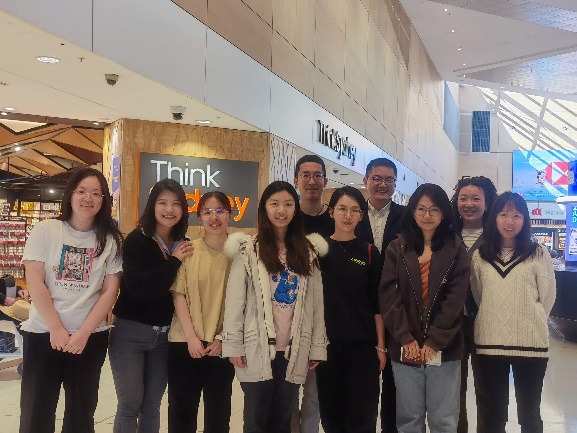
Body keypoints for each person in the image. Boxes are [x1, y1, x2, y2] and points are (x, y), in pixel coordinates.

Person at [20, 167, 123, 433]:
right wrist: (56, 328)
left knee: (81, 414)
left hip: (89, 338)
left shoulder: (110, 240)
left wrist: (83, 333)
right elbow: (35, 281)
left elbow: (110, 291)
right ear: (70, 195)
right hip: (43, 334)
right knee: (36, 413)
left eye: (96, 193)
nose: (88, 198)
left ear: (104, 200)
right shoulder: (46, 230)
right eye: (82, 191)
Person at [222, 180, 328, 433]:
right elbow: (235, 301)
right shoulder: (249, 250)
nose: (281, 210)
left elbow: (316, 305)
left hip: (294, 348)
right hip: (256, 346)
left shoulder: (307, 252)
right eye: (275, 204)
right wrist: (233, 345)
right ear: (264, 209)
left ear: (295, 209)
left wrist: (317, 347)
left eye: (288, 204)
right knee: (256, 420)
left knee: (283, 419)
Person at [379, 183, 470, 433]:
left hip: (444, 348)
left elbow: (455, 300)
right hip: (405, 346)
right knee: (409, 420)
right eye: (421, 209)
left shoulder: (455, 249)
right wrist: (405, 337)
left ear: (444, 213)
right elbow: (388, 295)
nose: (427, 215)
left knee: (443, 420)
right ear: (412, 212)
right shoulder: (397, 248)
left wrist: (434, 341)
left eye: (434, 209)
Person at [109, 178, 193, 433]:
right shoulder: (138, 239)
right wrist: (173, 262)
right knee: (129, 404)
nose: (169, 209)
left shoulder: (184, 243)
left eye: (176, 204)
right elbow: (138, 288)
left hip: (165, 337)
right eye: (162, 203)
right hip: (130, 333)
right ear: (152, 206)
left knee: (152, 406)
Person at [471, 192, 556, 433]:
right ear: (494, 218)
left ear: (525, 220)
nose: (510, 221)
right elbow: (479, 296)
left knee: (529, 415)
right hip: (489, 344)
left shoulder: (538, 253)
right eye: (503, 214)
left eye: (517, 215)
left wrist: (529, 319)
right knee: (493, 415)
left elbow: (547, 297)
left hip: (531, 345)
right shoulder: (480, 256)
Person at [316, 186, 385, 433]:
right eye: (342, 209)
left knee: (362, 418)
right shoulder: (317, 250)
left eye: (354, 210)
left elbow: (376, 303)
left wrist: (381, 346)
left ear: (361, 216)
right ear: (331, 212)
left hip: (363, 349)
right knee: (332, 418)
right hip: (327, 349)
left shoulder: (369, 252)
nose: (348, 215)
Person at [167, 191, 235, 433]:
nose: (213, 217)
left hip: (221, 346)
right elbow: (179, 295)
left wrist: (223, 338)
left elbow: (245, 303)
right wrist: (191, 338)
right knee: (181, 415)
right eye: (207, 212)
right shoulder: (189, 250)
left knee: (218, 416)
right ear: (199, 217)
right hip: (184, 342)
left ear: (230, 215)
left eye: (220, 211)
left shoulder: (240, 254)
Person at [356, 157, 405, 433]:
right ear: (366, 181)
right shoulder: (352, 213)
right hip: (360, 310)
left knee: (395, 387)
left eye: (388, 180)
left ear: (395, 184)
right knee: (364, 385)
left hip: (397, 309)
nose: (382, 185)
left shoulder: (407, 216)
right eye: (376, 179)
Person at [450, 175, 497, 433]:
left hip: (486, 323)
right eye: (463, 198)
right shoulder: (447, 235)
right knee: (453, 390)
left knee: (487, 389)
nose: (469, 204)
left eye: (476, 199)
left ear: (487, 203)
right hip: (451, 324)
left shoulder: (496, 238)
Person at [292, 154, 335, 433]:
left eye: (317, 175)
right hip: (286, 314)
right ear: (296, 179)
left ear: (325, 181)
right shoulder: (286, 217)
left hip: (323, 318)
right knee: (285, 395)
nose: (311, 181)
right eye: (305, 175)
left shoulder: (334, 219)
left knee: (313, 397)